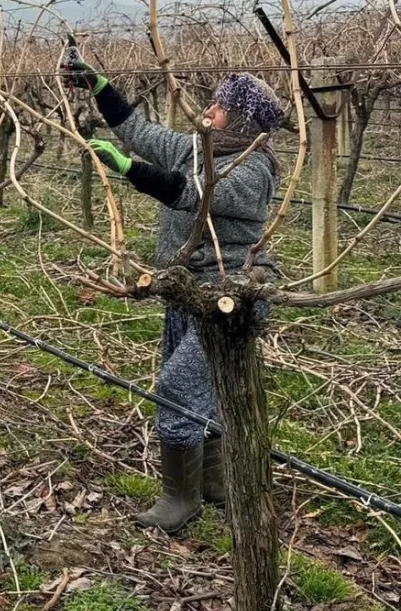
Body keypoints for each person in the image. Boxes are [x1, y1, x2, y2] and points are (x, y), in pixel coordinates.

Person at [61, 54, 283, 533]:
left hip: (226, 295)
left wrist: (128, 169)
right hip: (188, 289)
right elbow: (140, 131)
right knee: (208, 387)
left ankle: (180, 499)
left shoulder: (252, 170)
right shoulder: (198, 146)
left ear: (241, 120)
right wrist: (99, 85)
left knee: (180, 387)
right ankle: (215, 482)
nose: (209, 109)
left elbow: (191, 193)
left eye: (220, 106)